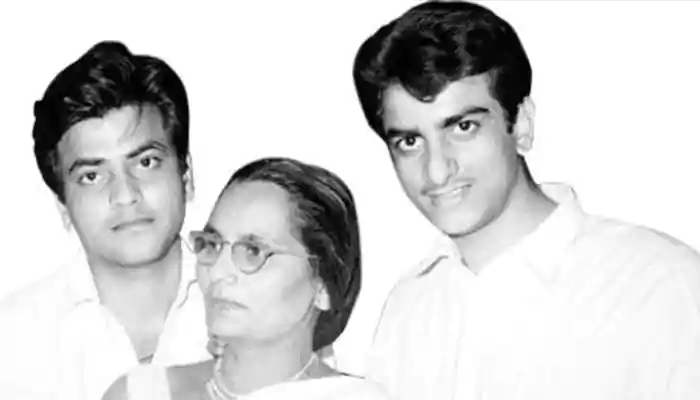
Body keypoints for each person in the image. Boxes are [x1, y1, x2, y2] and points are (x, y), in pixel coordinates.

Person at [352, 1, 700, 399]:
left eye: (463, 127)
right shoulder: (407, 310)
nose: (436, 171)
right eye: (410, 141)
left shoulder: (662, 286)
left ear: (521, 125)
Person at [0, 41, 210, 399]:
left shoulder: (268, 310)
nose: (125, 194)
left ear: (185, 175)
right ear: (63, 205)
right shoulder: (12, 343)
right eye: (92, 176)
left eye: (146, 162)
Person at [101, 157, 390, 399]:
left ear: (323, 287)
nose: (218, 272)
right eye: (212, 245)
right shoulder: (140, 393)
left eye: (253, 251)